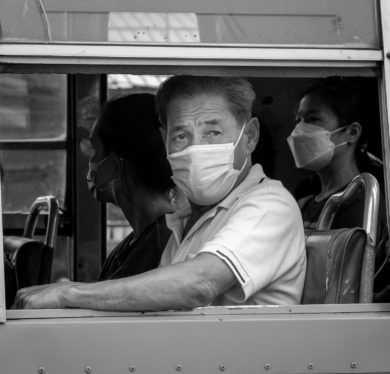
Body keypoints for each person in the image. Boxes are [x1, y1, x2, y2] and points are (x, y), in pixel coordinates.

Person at [13, 76, 306, 310]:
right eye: (181, 136)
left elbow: (199, 284)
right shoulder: (185, 219)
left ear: (250, 136)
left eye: (213, 133)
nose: (196, 148)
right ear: (164, 141)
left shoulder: (269, 206)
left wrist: (68, 293)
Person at [287, 77, 389, 296]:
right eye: (299, 119)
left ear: (351, 132)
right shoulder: (303, 199)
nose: (299, 129)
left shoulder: (362, 197)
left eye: (312, 119)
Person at [84, 93, 176, 280]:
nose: (91, 161)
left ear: (117, 165)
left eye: (95, 150)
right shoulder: (136, 242)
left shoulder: (159, 247)